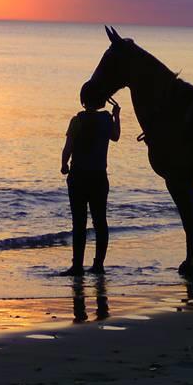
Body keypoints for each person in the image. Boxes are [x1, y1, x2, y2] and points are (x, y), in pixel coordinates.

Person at [59, 80, 120, 276]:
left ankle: (77, 266)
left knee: (79, 222)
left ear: (83, 100)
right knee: (100, 221)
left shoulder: (77, 120)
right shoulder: (106, 120)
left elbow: (68, 148)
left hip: (78, 177)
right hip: (99, 178)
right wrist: (116, 117)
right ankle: (98, 264)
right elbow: (116, 136)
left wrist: (63, 165)